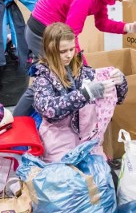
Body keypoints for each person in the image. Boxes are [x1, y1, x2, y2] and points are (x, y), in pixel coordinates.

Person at [13, 0, 136, 117]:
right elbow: (70, 34)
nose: (121, 0)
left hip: (54, 32)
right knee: (54, 79)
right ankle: (20, 119)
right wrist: (84, 67)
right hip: (41, 34)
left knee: (58, 78)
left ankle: (25, 118)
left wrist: (129, 27)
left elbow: (102, 23)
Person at [32, 23, 128, 162]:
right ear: (51, 51)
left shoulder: (83, 71)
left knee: (104, 179)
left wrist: (120, 82)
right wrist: (85, 94)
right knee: (69, 180)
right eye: (63, 51)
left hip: (88, 140)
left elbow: (118, 99)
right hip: (59, 140)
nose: (69, 55)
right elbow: (49, 110)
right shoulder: (43, 78)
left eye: (72, 49)